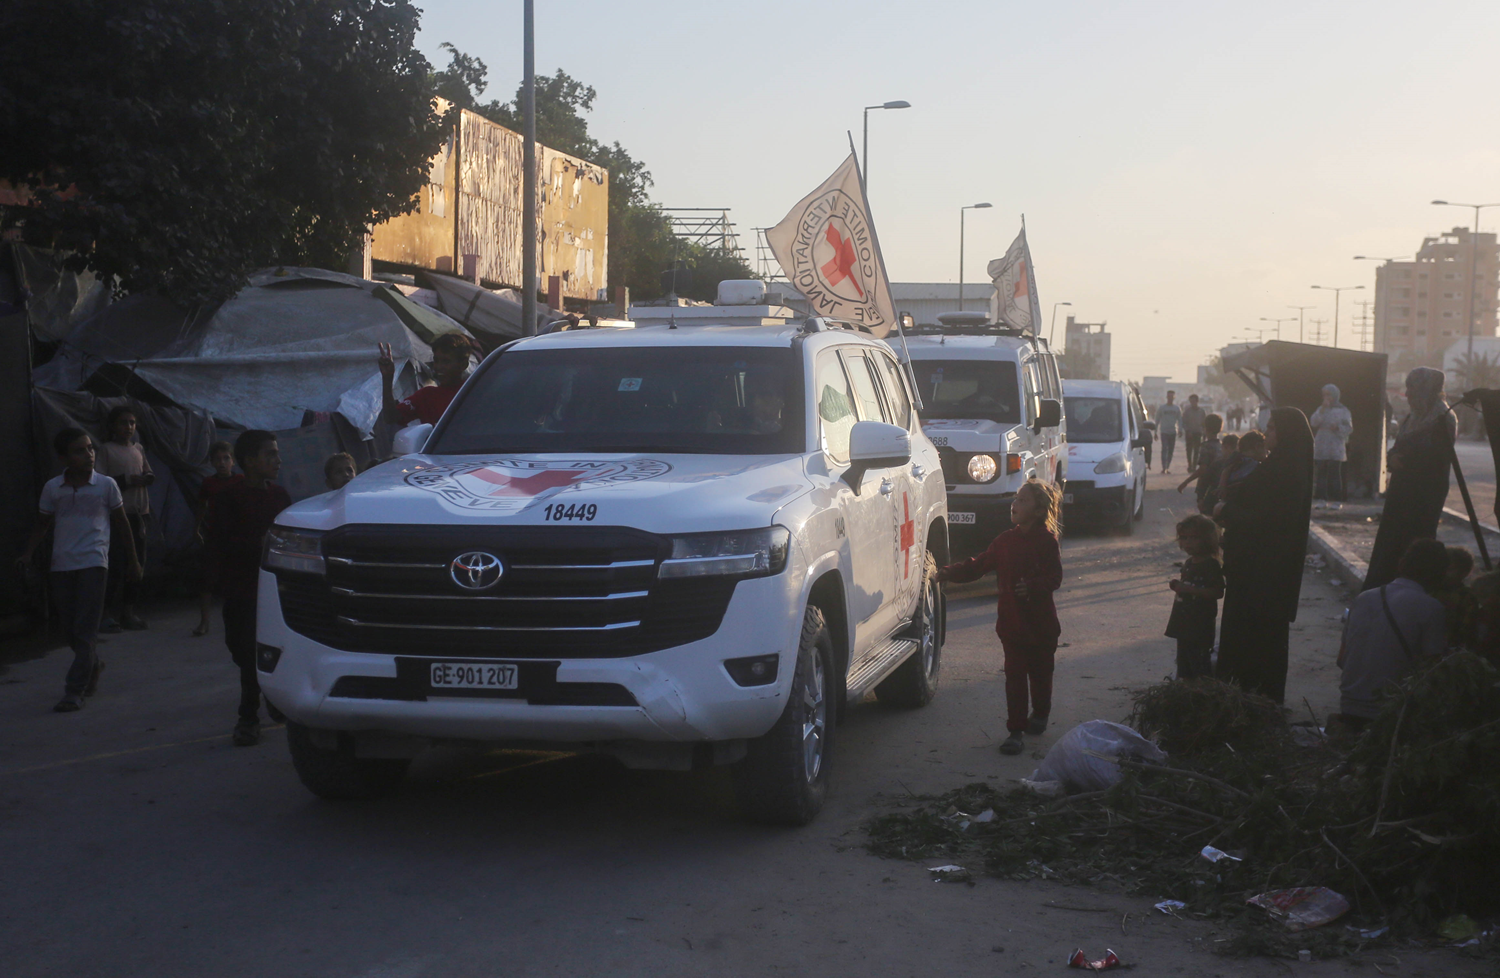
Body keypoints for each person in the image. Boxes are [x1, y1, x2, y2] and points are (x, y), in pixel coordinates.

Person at [935, 479, 1064, 756]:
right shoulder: (1005, 542)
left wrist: (1033, 586)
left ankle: (1040, 715)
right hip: (1012, 625)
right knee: (1015, 678)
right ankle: (1015, 731)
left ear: (1039, 511)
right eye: (1015, 499)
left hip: (1042, 626)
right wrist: (948, 572)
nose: (1014, 504)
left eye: (1022, 500)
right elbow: (978, 566)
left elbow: (1055, 577)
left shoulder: (1047, 542)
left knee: (1041, 676)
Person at [16, 429, 141, 712]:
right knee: (69, 630)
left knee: (84, 630)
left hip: (94, 563)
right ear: (63, 458)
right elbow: (43, 524)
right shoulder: (53, 488)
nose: (89, 455)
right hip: (62, 565)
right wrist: (28, 553)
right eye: (79, 451)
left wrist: (134, 560)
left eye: (90, 449)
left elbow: (122, 524)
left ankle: (74, 690)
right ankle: (93, 664)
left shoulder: (106, 485)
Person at [1214, 407, 1314, 703]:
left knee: (1256, 637)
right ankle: (1249, 696)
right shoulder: (1279, 465)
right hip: (1255, 567)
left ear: (1287, 433)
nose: (1266, 433)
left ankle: (1253, 699)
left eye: (1272, 428)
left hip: (1264, 571)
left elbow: (1271, 520)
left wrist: (1227, 511)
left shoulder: (1286, 470)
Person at [204, 430, 290, 746]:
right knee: (240, 650)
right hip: (240, 589)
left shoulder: (279, 496)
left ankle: (248, 716)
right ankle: (266, 695)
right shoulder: (228, 497)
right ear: (249, 461)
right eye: (270, 454)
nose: (277, 460)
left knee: (261, 654)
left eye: (276, 453)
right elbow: (221, 542)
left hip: (273, 591)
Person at [1337, 539, 1448, 731]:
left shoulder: (1364, 598)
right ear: (1440, 574)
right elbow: (1433, 671)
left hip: (1349, 705)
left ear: (1401, 564)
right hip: (1391, 713)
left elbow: (1341, 660)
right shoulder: (1431, 608)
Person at [1362, 368, 1454, 592]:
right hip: (1402, 489)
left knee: (1415, 539)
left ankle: (1411, 590)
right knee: (1392, 541)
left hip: (1424, 492)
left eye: (1412, 387)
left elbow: (1438, 458)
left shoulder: (1443, 418)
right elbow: (1398, 445)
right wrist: (1392, 457)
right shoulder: (1413, 417)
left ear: (1426, 388)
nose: (1408, 393)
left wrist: (1406, 463)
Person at [95, 405, 152, 631]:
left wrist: (147, 477)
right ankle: (105, 614)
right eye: (123, 422)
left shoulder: (138, 448)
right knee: (116, 565)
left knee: (137, 565)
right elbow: (100, 482)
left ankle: (128, 612)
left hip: (140, 515)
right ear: (112, 426)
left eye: (132, 423)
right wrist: (128, 480)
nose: (128, 427)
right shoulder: (105, 450)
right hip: (118, 516)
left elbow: (148, 471)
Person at [193, 441, 242, 637]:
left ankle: (239, 621)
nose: (222, 463)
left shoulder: (240, 481)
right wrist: (196, 529)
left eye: (226, 458)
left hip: (237, 538)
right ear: (212, 462)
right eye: (218, 459)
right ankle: (204, 622)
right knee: (207, 580)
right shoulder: (209, 483)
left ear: (233, 461)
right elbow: (201, 506)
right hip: (215, 537)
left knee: (237, 581)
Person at [1166, 514, 1224, 680]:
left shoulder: (1210, 565)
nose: (1188, 543)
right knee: (1183, 661)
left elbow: (1217, 592)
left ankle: (1201, 694)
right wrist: (1179, 587)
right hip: (1184, 622)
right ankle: (1184, 691)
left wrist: (1188, 589)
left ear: (1207, 540)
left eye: (1194, 538)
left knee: (1198, 663)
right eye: (1184, 538)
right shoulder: (1190, 563)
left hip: (1200, 624)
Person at [378, 332, 474, 427]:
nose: (438, 367)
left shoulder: (473, 394)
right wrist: (387, 378)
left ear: (463, 365)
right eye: (436, 361)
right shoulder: (426, 396)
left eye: (446, 361)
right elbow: (391, 417)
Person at [1309, 384, 1354, 503]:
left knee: (1334, 474)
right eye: (1324, 395)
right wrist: (1323, 409)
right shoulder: (1321, 409)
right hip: (1322, 444)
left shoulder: (1343, 411)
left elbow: (1349, 428)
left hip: (1335, 445)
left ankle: (1336, 500)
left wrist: (1338, 428)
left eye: (1328, 394)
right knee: (1321, 474)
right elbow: (1313, 422)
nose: (1326, 397)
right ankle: (1321, 499)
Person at [1431, 545, 1479, 652]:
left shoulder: (1466, 598)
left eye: (1450, 569)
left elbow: (1465, 631)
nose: (1443, 573)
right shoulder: (1430, 589)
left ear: (1464, 573)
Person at [1176, 413, 1224, 514]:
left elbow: (1203, 469)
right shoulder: (1222, 447)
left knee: (1206, 516)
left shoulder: (1206, 447)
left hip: (1206, 487)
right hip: (1219, 486)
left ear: (1205, 428)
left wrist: (1186, 482)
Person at [1155, 392, 1182, 475]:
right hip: (1164, 431)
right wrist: (1155, 431)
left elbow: (1180, 420)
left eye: (1172, 397)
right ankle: (1164, 467)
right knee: (1164, 449)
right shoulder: (1162, 408)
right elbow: (1157, 420)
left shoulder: (1177, 408)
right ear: (1166, 397)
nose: (1170, 398)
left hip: (1173, 431)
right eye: (1169, 396)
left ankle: (1167, 466)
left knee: (1170, 450)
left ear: (1174, 397)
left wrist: (1180, 430)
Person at [1180, 394, 1207, 469]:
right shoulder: (1187, 411)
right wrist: (1187, 431)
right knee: (1189, 450)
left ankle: (1194, 466)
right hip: (1189, 433)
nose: (1193, 403)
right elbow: (1183, 422)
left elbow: (1204, 423)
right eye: (1191, 401)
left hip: (1198, 433)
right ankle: (1190, 464)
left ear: (1197, 401)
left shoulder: (1201, 411)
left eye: (1194, 401)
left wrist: (1205, 433)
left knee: (1197, 450)